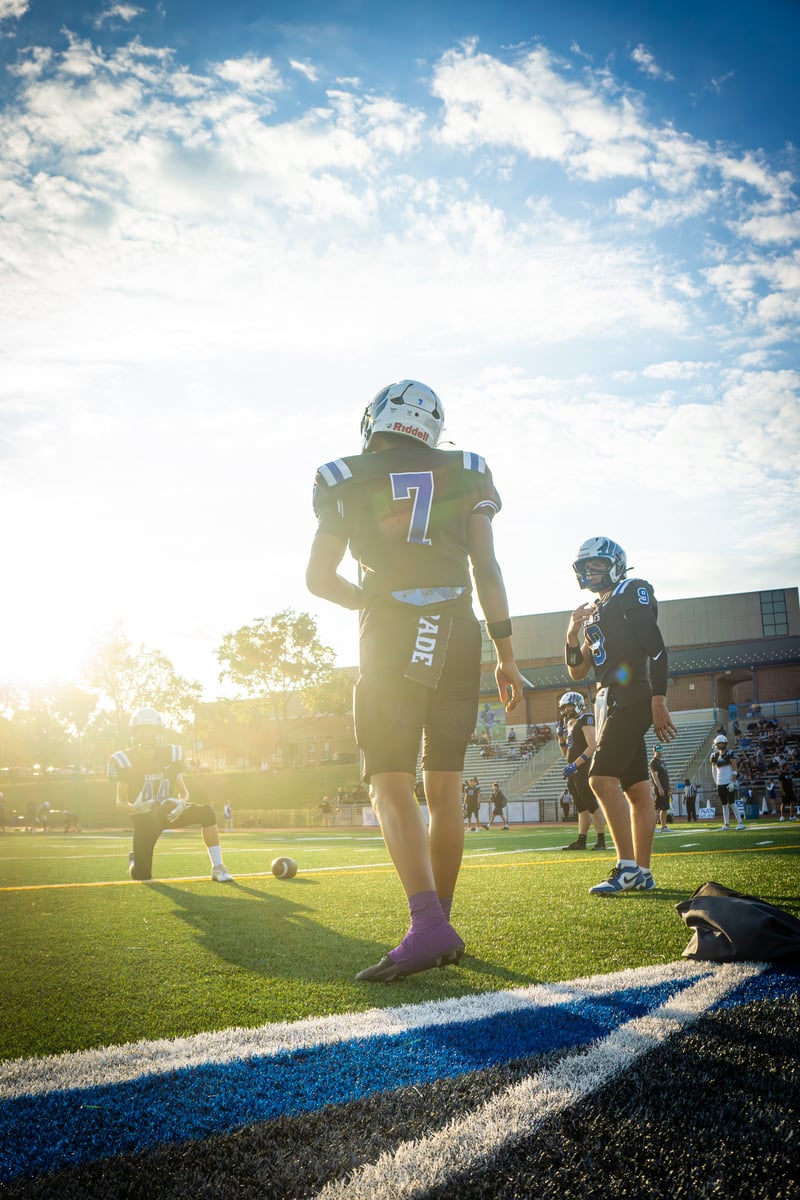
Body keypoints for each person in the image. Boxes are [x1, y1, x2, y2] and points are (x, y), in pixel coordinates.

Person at [306, 379, 526, 981]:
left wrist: (371, 604)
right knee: (446, 787)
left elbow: (318, 577)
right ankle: (441, 922)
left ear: (375, 419)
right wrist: (507, 657)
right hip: (460, 631)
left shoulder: (342, 476)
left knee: (389, 781)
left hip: (395, 633)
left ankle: (429, 926)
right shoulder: (469, 468)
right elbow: (488, 566)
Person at [565, 537, 677, 894]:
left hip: (630, 695)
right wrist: (570, 633)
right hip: (608, 697)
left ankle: (626, 866)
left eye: (597, 565)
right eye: (586, 568)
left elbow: (657, 649)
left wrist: (658, 699)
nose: (590, 573)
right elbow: (578, 670)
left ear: (615, 564)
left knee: (599, 779)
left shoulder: (632, 590)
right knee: (637, 791)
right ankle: (642, 871)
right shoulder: (596, 608)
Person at [109, 707, 233, 882]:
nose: (147, 734)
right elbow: (119, 803)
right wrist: (134, 808)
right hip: (144, 818)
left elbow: (184, 792)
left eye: (151, 729)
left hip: (169, 812)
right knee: (141, 875)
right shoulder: (125, 760)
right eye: (143, 729)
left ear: (159, 732)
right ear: (135, 733)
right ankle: (134, 861)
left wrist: (182, 803)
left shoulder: (171, 754)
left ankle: (218, 867)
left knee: (206, 812)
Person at [556, 691, 606, 851]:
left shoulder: (586, 719)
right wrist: (560, 737)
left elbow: (592, 745)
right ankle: (581, 840)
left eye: (569, 706)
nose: (566, 711)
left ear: (577, 704)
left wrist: (575, 766)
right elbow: (566, 754)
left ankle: (601, 841)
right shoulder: (571, 724)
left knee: (592, 805)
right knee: (581, 807)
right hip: (574, 770)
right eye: (564, 708)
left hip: (584, 768)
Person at [709, 733, 743, 830]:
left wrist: (732, 781)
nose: (720, 745)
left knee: (732, 803)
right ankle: (726, 824)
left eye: (722, 743)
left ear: (725, 743)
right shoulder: (714, 756)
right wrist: (716, 782)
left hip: (729, 782)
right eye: (718, 744)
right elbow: (714, 771)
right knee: (724, 804)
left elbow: (734, 769)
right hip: (720, 782)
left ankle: (740, 822)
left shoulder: (730, 754)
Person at [649, 746, 672, 832]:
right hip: (659, 788)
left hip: (665, 788)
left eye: (660, 750)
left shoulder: (662, 762)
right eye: (657, 750)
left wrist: (668, 787)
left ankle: (663, 827)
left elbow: (665, 776)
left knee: (665, 808)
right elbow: (655, 776)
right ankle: (653, 827)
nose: (659, 752)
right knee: (657, 808)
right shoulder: (653, 762)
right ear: (654, 751)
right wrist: (659, 788)